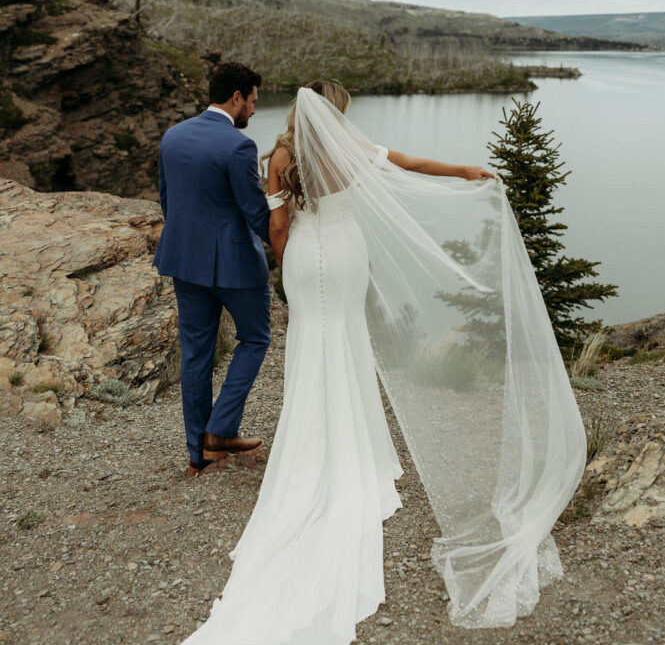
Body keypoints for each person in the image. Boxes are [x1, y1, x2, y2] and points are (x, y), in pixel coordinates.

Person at [181, 80, 586, 643]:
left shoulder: (279, 155)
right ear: (335, 114)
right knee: (347, 340)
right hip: (347, 253)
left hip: (304, 256)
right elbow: (409, 164)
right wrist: (467, 172)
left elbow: (276, 224)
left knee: (311, 343)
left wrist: (284, 262)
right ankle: (360, 447)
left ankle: (313, 445)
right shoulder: (347, 150)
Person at [153, 61, 271, 477]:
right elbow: (256, 214)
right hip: (235, 265)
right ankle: (220, 431)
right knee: (256, 338)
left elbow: (168, 202)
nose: (254, 111)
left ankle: (197, 455)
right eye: (253, 102)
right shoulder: (239, 147)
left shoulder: (173, 136)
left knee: (196, 355)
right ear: (236, 98)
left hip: (184, 261)